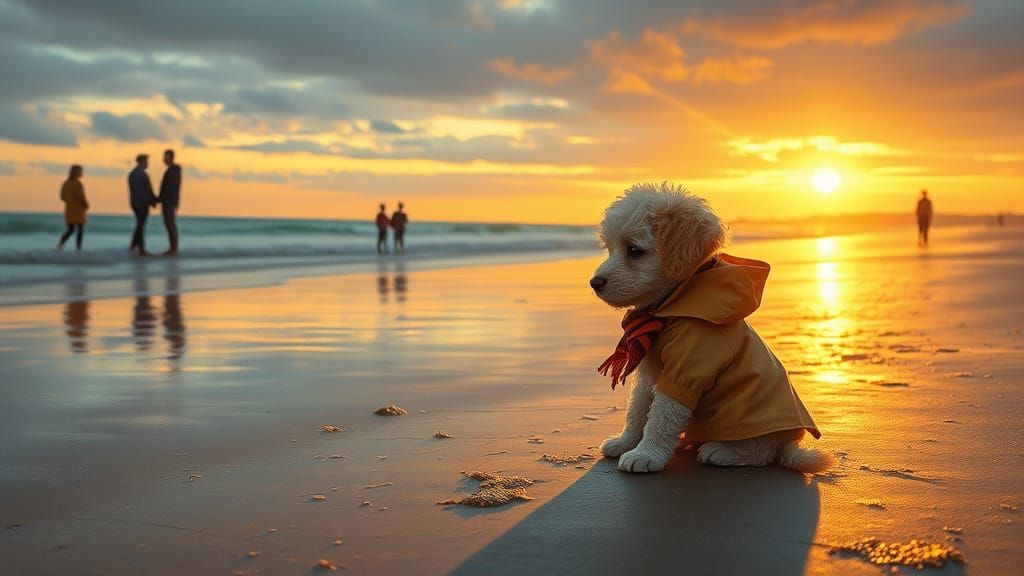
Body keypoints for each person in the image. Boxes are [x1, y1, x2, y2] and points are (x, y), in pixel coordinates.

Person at [128, 154, 157, 255]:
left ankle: (133, 246)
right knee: (141, 225)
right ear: (142, 161)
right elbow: (146, 190)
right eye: (146, 161)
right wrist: (152, 201)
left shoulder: (133, 174)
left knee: (140, 224)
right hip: (141, 204)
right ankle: (141, 249)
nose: (147, 163)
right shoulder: (141, 174)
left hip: (136, 203)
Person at [57, 164, 88, 251]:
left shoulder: (65, 183)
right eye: (80, 171)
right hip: (78, 210)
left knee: (70, 230)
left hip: (69, 210)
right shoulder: (77, 183)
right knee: (80, 230)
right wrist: (86, 204)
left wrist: (69, 201)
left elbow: (62, 197)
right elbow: (81, 196)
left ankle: (60, 245)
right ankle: (78, 249)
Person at [157, 149, 182, 255]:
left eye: (166, 157)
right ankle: (173, 248)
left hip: (169, 201)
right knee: (169, 224)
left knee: (170, 224)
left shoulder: (173, 171)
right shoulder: (172, 170)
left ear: (171, 157)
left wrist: (159, 198)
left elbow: (170, 188)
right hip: (169, 200)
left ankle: (174, 249)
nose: (164, 159)